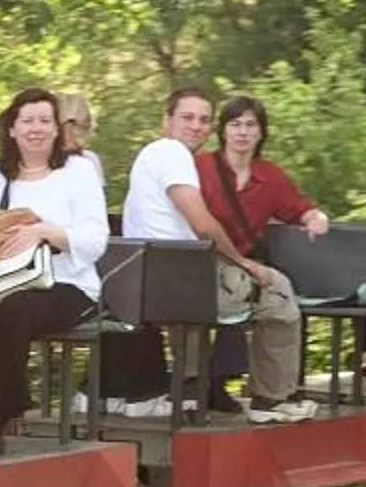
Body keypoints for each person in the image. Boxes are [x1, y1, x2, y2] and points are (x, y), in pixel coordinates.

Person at [122, 85, 314, 423]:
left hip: (156, 272)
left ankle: (193, 391)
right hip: (177, 276)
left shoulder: (164, 156)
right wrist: (243, 262)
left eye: (203, 120)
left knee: (227, 294)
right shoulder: (174, 155)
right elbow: (202, 223)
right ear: (166, 120)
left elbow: (293, 206)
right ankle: (270, 399)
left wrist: (312, 217)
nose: (196, 126)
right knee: (278, 292)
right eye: (187, 118)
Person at [0, 88, 108, 453]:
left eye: (45, 121)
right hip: (2, 279)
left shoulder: (79, 172)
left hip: (67, 283)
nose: (36, 129)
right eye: (27, 121)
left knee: (16, 310)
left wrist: (43, 231)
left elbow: (95, 240)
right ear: (11, 129)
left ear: (58, 129)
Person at [194, 95, 330, 423]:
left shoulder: (269, 175)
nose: (242, 132)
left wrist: (315, 218)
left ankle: (271, 396)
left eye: (250, 125)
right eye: (235, 124)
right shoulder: (201, 168)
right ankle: (245, 392)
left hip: (239, 267)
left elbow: (299, 207)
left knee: (282, 298)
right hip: (199, 262)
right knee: (262, 290)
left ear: (261, 132)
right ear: (223, 131)